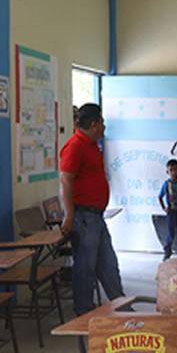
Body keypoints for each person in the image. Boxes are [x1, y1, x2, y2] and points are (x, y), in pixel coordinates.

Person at [59, 102, 125, 316]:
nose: (104, 128)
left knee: (108, 264)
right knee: (85, 267)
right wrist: (69, 214)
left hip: (96, 216)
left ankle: (121, 305)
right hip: (83, 217)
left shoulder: (90, 145)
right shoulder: (75, 146)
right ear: (95, 123)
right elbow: (65, 180)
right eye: (102, 123)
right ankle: (84, 313)